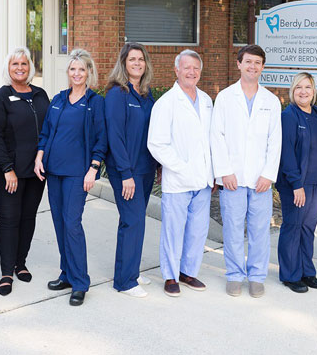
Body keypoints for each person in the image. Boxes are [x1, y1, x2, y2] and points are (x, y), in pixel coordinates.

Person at [34, 49, 106, 306]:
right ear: (68, 73)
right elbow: (46, 131)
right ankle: (66, 273)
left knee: (72, 223)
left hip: (78, 173)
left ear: (89, 73)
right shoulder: (58, 99)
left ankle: (80, 282)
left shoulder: (95, 102)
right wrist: (39, 156)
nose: (77, 73)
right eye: (73, 69)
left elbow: (101, 140)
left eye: (82, 69)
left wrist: (93, 169)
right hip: (54, 171)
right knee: (59, 223)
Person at [210, 44, 281, 298]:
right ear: (239, 64)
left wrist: (268, 174)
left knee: (260, 229)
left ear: (263, 67)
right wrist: (224, 171)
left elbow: (275, 141)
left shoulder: (271, 101)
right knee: (232, 227)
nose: (252, 67)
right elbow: (216, 136)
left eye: (257, 63)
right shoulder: (226, 98)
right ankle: (234, 274)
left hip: (261, 179)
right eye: (248, 62)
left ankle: (257, 276)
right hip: (233, 178)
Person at [147, 50, 215, 297]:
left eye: (196, 68)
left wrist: (213, 171)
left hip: (204, 180)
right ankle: (170, 275)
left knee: (198, 231)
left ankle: (188, 272)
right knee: (174, 231)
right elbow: (156, 144)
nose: (192, 72)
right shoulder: (166, 103)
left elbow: (211, 140)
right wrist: (182, 167)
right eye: (187, 67)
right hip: (178, 180)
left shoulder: (206, 100)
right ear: (176, 70)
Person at [0, 47, 50, 296]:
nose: (20, 68)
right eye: (15, 64)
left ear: (30, 67)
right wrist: (7, 169)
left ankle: (20, 262)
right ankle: (5, 272)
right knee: (9, 219)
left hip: (36, 170)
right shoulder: (0, 98)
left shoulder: (40, 94)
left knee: (28, 217)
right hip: (9, 172)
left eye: (24, 64)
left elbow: (49, 128)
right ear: (8, 68)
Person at [104, 43, 157, 298]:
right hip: (126, 171)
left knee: (138, 221)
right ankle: (124, 281)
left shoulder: (147, 95)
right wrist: (125, 173)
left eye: (141, 60)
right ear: (123, 63)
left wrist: (157, 166)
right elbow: (114, 136)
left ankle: (132, 271)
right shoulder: (117, 94)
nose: (137, 63)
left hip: (146, 170)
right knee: (131, 221)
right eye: (132, 59)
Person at [277, 72, 317, 293]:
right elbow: (287, 153)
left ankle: (307, 270)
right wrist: (296, 184)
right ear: (292, 91)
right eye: (298, 87)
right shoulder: (289, 116)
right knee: (293, 227)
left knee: (308, 228)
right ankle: (290, 274)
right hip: (296, 184)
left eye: (307, 87)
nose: (303, 91)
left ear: (313, 90)